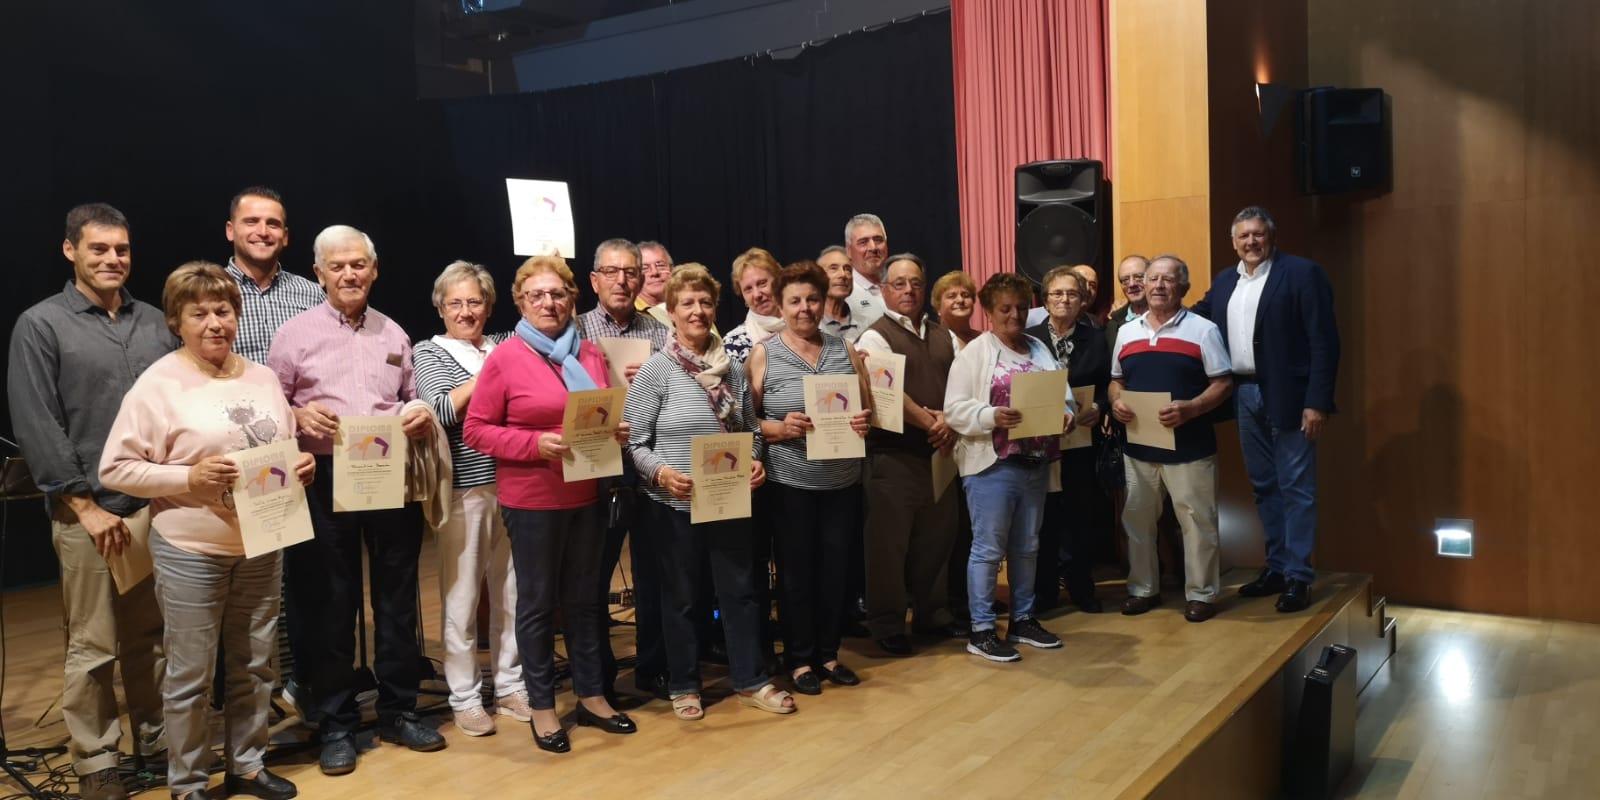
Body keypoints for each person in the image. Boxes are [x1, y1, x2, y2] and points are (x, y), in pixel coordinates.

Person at [100, 262, 313, 800]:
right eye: (200, 313)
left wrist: (299, 468)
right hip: (191, 548)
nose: (214, 322)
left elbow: (277, 450)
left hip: (262, 543)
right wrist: (186, 476)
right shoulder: (158, 383)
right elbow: (116, 469)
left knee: (256, 664)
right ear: (178, 320)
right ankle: (189, 782)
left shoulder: (262, 378)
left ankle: (247, 764)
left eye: (223, 311)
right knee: (192, 676)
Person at [267, 225, 445, 775]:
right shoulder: (293, 334)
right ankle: (337, 723)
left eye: (359, 265)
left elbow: (412, 397)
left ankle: (397, 711)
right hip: (321, 474)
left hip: (387, 469)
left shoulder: (394, 332)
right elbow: (267, 405)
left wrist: (418, 416)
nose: (349, 274)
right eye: (337, 266)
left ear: (374, 269)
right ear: (318, 273)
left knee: (397, 598)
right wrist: (294, 414)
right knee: (328, 603)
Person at [7, 203, 169, 800]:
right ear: (70, 250)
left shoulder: (153, 320)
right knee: (94, 643)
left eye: (122, 249)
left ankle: (156, 742)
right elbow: (38, 424)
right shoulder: (41, 324)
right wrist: (85, 507)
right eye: (99, 249)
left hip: (152, 506)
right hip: (89, 513)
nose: (112, 260)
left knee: (151, 638)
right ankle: (97, 759)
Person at [463, 256, 638, 753]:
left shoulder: (589, 353)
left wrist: (616, 430)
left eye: (558, 294)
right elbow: (476, 429)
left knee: (584, 603)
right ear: (521, 302)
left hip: (587, 492)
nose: (549, 303)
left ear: (572, 299)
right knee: (538, 606)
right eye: (537, 295)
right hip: (533, 499)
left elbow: (600, 411)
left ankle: (592, 696)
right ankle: (542, 705)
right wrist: (534, 444)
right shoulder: (505, 357)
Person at [623, 265, 794, 720]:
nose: (697, 311)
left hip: (728, 498)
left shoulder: (732, 368)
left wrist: (756, 459)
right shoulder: (656, 371)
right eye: (687, 304)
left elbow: (750, 430)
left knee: (739, 593)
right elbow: (635, 443)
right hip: (674, 504)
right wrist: (662, 475)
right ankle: (684, 682)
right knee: (681, 598)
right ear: (672, 314)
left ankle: (752, 679)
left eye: (705, 303)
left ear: (714, 309)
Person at [1192, 206, 1340, 613]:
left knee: (1296, 489)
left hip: (1291, 399)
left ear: (1271, 236)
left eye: (1258, 234)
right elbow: (1195, 321)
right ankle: (1275, 568)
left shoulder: (1302, 273)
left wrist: (1317, 401)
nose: (1251, 242)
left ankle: (1298, 576)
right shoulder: (1225, 281)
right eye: (1243, 236)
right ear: (1233, 242)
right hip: (1243, 395)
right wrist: (1140, 313)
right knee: (1264, 488)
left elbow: (1324, 343)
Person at [411, 261, 529, 737]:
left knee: (512, 593)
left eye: (474, 302)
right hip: (464, 486)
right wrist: (493, 375)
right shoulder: (428, 351)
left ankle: (510, 684)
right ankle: (464, 695)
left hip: (518, 480)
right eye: (455, 303)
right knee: (461, 596)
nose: (465, 311)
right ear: (440, 308)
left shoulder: (505, 344)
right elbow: (440, 410)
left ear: (489, 305)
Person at [746, 261, 872, 695]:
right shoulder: (764, 353)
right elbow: (745, 422)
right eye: (795, 301)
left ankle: (829, 653)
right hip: (789, 482)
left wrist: (861, 422)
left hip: (841, 481)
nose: (805, 309)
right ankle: (799, 660)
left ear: (825, 302)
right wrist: (779, 428)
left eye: (812, 299)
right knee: (796, 573)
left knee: (836, 571)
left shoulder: (846, 349)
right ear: (780, 305)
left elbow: (867, 410)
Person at [945, 272, 1075, 662]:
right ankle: (981, 628)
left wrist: (1066, 415)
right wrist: (991, 416)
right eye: (1005, 309)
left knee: (1027, 547)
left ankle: (1022, 618)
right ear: (988, 311)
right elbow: (954, 409)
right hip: (992, 465)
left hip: (1034, 462)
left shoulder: (1038, 349)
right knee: (987, 549)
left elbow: (1061, 395)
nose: (1014, 316)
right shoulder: (974, 353)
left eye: (1020, 308)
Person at [573, 238, 671, 703]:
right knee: (594, 576)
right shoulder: (573, 330)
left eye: (630, 272)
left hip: (647, 460)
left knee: (654, 572)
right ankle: (600, 678)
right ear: (594, 280)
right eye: (611, 272)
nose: (622, 281)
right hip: (598, 464)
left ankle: (654, 667)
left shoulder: (659, 332)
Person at [1110, 256, 1234, 623]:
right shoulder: (1126, 331)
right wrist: (1116, 400)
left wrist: (1192, 408)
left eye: (1168, 279)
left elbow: (1223, 383)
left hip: (1190, 447)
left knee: (1197, 523)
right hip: (1138, 447)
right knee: (1137, 520)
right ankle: (1142, 588)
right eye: (1153, 279)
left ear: (1183, 287)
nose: (1159, 286)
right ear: (1143, 287)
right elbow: (1117, 379)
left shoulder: (1203, 330)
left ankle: (1201, 594)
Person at [855, 254, 964, 655]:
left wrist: (949, 419)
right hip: (893, 456)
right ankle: (887, 624)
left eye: (915, 283)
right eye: (899, 283)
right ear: (884, 289)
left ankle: (933, 615)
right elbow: (885, 393)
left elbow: (960, 385)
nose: (908, 290)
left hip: (940, 455)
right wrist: (932, 422)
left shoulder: (944, 335)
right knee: (889, 546)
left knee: (936, 540)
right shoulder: (874, 336)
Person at [1025, 267, 1111, 613]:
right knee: (1043, 519)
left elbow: (1107, 384)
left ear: (1083, 301)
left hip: (1080, 441)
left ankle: (1081, 587)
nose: (1064, 300)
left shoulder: (1097, 338)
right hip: (1038, 442)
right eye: (1057, 294)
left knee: (1080, 517)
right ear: (1045, 300)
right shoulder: (1028, 338)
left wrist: (1101, 407)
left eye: (1072, 294)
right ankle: (1043, 592)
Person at [222, 186, 324, 365]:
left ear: (285, 236)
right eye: (251, 222)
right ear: (230, 230)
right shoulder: (205, 291)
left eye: (273, 224)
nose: (263, 232)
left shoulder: (313, 295)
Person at [722, 247, 785, 363]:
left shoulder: (806, 326)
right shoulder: (734, 342)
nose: (756, 295)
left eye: (762, 283)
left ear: (779, 281)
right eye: (748, 289)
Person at [842, 213, 889, 327]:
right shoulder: (842, 295)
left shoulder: (901, 288)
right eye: (863, 242)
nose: (873, 247)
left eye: (878, 240)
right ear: (848, 251)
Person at [1104, 255, 1150, 355]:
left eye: (1138, 277)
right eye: (1125, 280)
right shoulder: (1113, 325)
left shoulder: (1173, 317)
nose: (1132, 284)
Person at [818, 245, 865, 342]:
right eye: (833, 268)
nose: (843, 275)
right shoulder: (805, 323)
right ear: (818, 276)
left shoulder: (866, 326)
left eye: (847, 269)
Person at [932, 270, 979, 349]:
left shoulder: (985, 340)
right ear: (938, 307)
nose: (960, 300)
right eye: (951, 296)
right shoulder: (930, 341)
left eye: (966, 295)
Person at [637, 240, 674, 325]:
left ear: (672, 270)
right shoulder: (627, 313)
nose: (654, 272)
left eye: (660, 265)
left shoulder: (687, 308)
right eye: (645, 268)